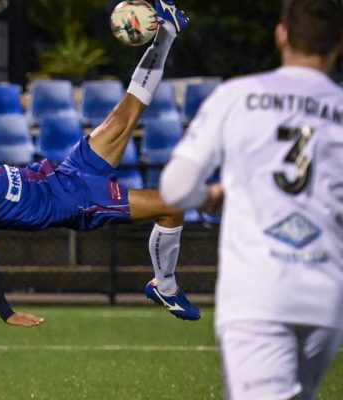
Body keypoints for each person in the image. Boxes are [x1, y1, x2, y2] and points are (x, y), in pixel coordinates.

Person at [0, 1, 199, 327]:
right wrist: (6, 312)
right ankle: (165, 287)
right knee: (171, 206)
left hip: (69, 171)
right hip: (78, 201)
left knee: (128, 109)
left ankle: (166, 33)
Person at [160, 0, 343, 398]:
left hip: (259, 293)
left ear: (282, 34)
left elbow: (174, 188)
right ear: (338, 44)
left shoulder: (238, 96)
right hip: (326, 299)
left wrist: (207, 195)